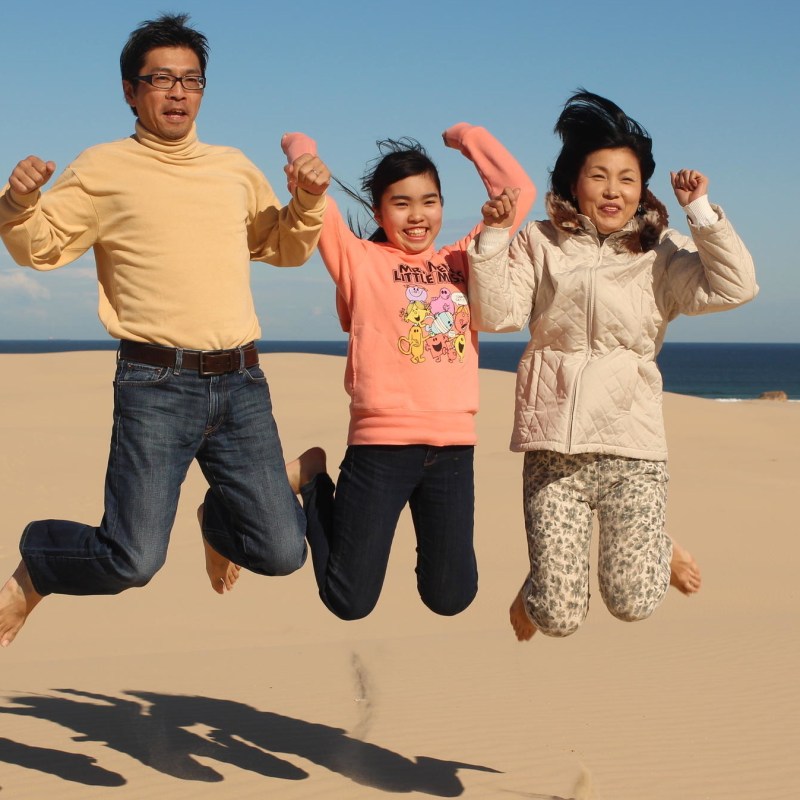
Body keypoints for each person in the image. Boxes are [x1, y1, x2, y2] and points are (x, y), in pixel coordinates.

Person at [0, 13, 331, 647]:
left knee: (285, 552)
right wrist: (18, 202)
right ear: (130, 90)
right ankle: (40, 561)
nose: (178, 92)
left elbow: (284, 248)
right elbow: (40, 249)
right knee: (132, 560)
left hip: (242, 384)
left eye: (191, 80)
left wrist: (309, 202)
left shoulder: (233, 168)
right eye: (161, 79)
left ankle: (216, 522)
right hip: (155, 385)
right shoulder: (101, 168)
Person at [467, 90, 757, 641]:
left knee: (633, 603)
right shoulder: (540, 242)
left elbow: (737, 286)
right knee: (557, 616)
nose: (612, 190)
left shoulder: (662, 253)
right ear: (573, 181)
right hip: (555, 448)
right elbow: (496, 314)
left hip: (634, 446)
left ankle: (656, 544)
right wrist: (494, 238)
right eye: (598, 176)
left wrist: (700, 213)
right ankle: (541, 592)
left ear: (641, 187)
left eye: (626, 178)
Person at [280, 125, 536, 620]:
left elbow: (517, 193)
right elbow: (312, 194)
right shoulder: (359, 260)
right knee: (348, 600)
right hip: (380, 448)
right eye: (401, 203)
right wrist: (302, 154)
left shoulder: (464, 258)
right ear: (378, 212)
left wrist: (470, 139)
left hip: (452, 448)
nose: (417, 216)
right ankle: (313, 480)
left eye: (429, 201)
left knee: (451, 597)